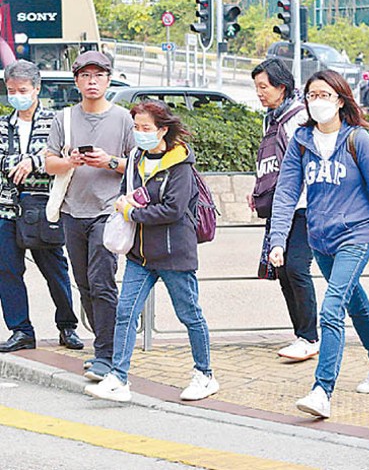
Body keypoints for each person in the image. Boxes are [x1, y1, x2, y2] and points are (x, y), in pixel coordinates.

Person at [269, 70, 369, 419]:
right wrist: (277, 240)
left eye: (324, 95)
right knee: (354, 302)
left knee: (332, 308)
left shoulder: (357, 140)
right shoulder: (301, 141)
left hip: (356, 235)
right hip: (321, 238)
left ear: (340, 100)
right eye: (311, 95)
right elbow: (286, 192)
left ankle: (322, 390)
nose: (317, 101)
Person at [85, 101, 218, 402]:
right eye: (137, 128)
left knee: (190, 314)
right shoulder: (135, 158)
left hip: (174, 254)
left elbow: (173, 209)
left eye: (146, 128)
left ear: (163, 130)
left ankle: (205, 374)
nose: (140, 134)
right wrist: (126, 205)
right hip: (140, 254)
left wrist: (132, 213)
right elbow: (127, 192)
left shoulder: (180, 164)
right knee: (125, 313)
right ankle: (118, 377)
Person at [45, 51, 135, 382]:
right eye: (85, 76)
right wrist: (71, 161)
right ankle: (109, 343)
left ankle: (106, 354)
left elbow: (137, 165)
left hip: (108, 211)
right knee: (84, 283)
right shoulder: (64, 119)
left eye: (98, 75)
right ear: (77, 81)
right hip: (72, 211)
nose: (92, 81)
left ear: (109, 79)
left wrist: (109, 161)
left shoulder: (124, 119)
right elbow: (49, 164)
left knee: (101, 280)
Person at [0, 61, 83, 353]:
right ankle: (21, 330)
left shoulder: (55, 121)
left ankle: (67, 326)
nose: (17, 95)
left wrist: (33, 161)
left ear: (36, 88)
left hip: (44, 208)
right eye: (11, 90)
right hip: (7, 209)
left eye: (22, 90)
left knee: (55, 269)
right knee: (7, 270)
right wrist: (23, 162)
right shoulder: (3, 125)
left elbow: (59, 157)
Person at [248, 59, 319, 361]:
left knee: (296, 267)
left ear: (282, 86)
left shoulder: (299, 117)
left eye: (264, 87)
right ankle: (301, 335)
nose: (260, 94)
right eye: (257, 88)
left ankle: (310, 336)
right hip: (280, 208)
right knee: (284, 272)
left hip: (303, 206)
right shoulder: (272, 118)